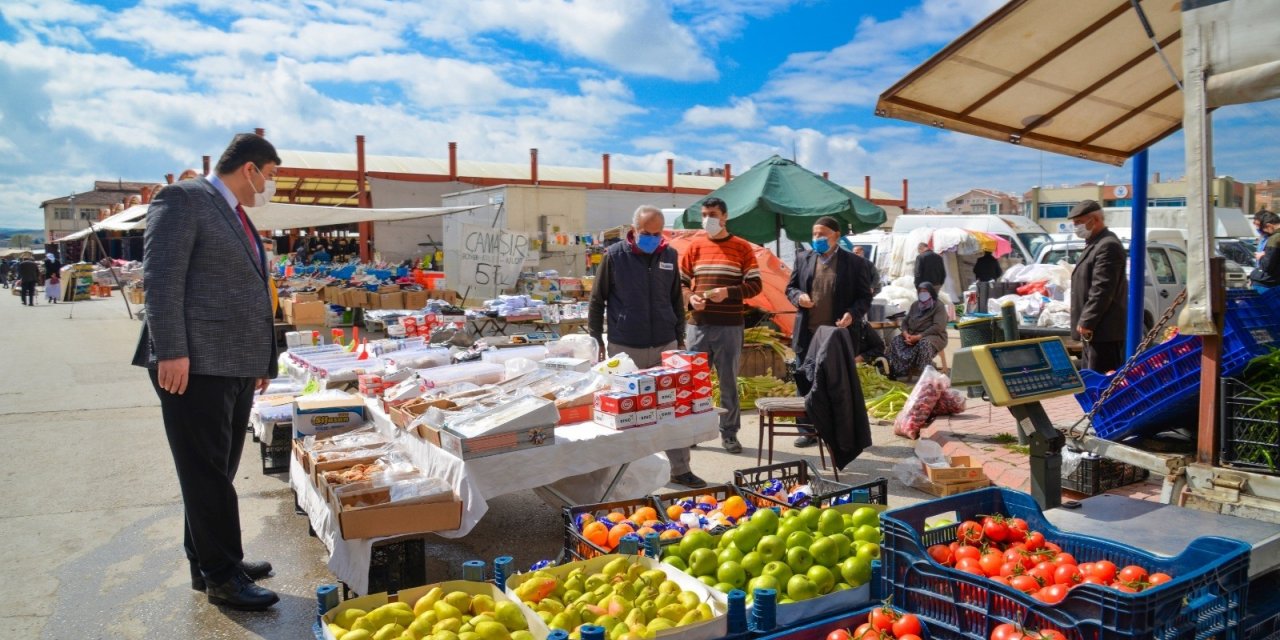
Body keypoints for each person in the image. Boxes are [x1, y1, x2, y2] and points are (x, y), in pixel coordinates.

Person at [131, 133, 281, 611]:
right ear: (249, 168)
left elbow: (253, 288)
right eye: (270, 177)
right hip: (194, 362)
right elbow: (161, 277)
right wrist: (170, 349)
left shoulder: (236, 215)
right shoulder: (184, 198)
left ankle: (207, 560)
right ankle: (223, 576)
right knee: (205, 473)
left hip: (233, 360)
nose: (269, 187)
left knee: (217, 469)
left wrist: (262, 360)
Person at [588, 206, 703, 488]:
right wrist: (595, 340)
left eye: (656, 234)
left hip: (665, 344)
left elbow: (676, 299)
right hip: (625, 347)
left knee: (673, 410)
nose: (651, 239)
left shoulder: (669, 255)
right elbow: (597, 300)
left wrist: (679, 337)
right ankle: (623, 475)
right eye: (645, 233)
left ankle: (680, 469)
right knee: (627, 414)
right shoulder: (615, 257)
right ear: (634, 229)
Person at [680, 196, 762, 456]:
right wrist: (690, 298)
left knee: (727, 382)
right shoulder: (694, 246)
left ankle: (729, 434)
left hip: (729, 326)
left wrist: (728, 292)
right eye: (704, 214)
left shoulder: (742, 248)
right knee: (693, 383)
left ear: (725, 216)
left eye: (713, 214)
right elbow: (681, 283)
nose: (708, 219)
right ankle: (693, 432)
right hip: (698, 324)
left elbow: (755, 285)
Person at [786, 216, 874, 446]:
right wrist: (798, 297)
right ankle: (807, 431)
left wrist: (852, 314)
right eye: (814, 234)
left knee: (835, 385)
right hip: (807, 334)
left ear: (836, 235)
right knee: (805, 383)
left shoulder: (855, 264)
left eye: (822, 234)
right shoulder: (803, 258)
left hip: (836, 336)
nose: (817, 238)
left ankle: (835, 431)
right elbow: (791, 288)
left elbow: (865, 297)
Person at [1067, 199, 1127, 373]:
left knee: (1101, 380)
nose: (1076, 227)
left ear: (1095, 220)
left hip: (1103, 331)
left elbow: (1102, 289)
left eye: (1079, 222)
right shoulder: (1095, 244)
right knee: (1092, 378)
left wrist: (1087, 320)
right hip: (1095, 332)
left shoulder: (1107, 245)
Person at [886, 282, 948, 379]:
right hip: (912, 334)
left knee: (924, 344)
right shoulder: (915, 305)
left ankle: (925, 374)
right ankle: (897, 370)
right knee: (896, 341)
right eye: (920, 291)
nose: (922, 293)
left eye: (925, 291)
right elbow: (905, 322)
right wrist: (906, 334)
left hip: (933, 336)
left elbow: (938, 326)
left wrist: (919, 337)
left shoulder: (938, 306)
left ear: (931, 292)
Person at [1249, 211, 1280, 293]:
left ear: (1269, 226)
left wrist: (1261, 256)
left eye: (1260, 226)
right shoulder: (1267, 237)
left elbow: (1268, 265)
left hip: (1267, 282)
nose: (1259, 229)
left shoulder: (1274, 238)